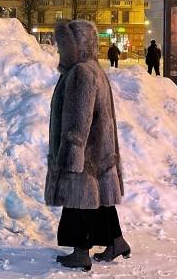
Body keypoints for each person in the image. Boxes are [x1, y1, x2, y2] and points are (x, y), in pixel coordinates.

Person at [46, 20, 129, 271]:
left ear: (77, 46)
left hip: (83, 151)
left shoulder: (80, 73)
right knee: (100, 198)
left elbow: (78, 117)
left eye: (64, 45)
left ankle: (80, 252)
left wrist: (72, 154)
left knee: (79, 199)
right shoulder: (94, 69)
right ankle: (116, 241)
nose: (60, 50)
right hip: (98, 150)